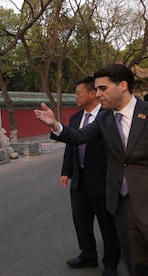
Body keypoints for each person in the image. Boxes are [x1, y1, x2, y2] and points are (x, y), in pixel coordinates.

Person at [34, 64, 148, 276]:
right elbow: (79, 137)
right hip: (121, 202)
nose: (98, 94)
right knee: (136, 261)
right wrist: (54, 124)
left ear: (122, 86)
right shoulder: (104, 118)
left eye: (103, 88)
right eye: (96, 89)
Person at [60, 76, 120, 275]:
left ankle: (111, 263)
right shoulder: (75, 118)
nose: (75, 96)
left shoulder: (109, 116)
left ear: (92, 94)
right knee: (81, 220)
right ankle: (88, 254)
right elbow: (71, 146)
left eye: (78, 93)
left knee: (107, 224)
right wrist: (66, 172)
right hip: (80, 179)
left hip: (102, 179)